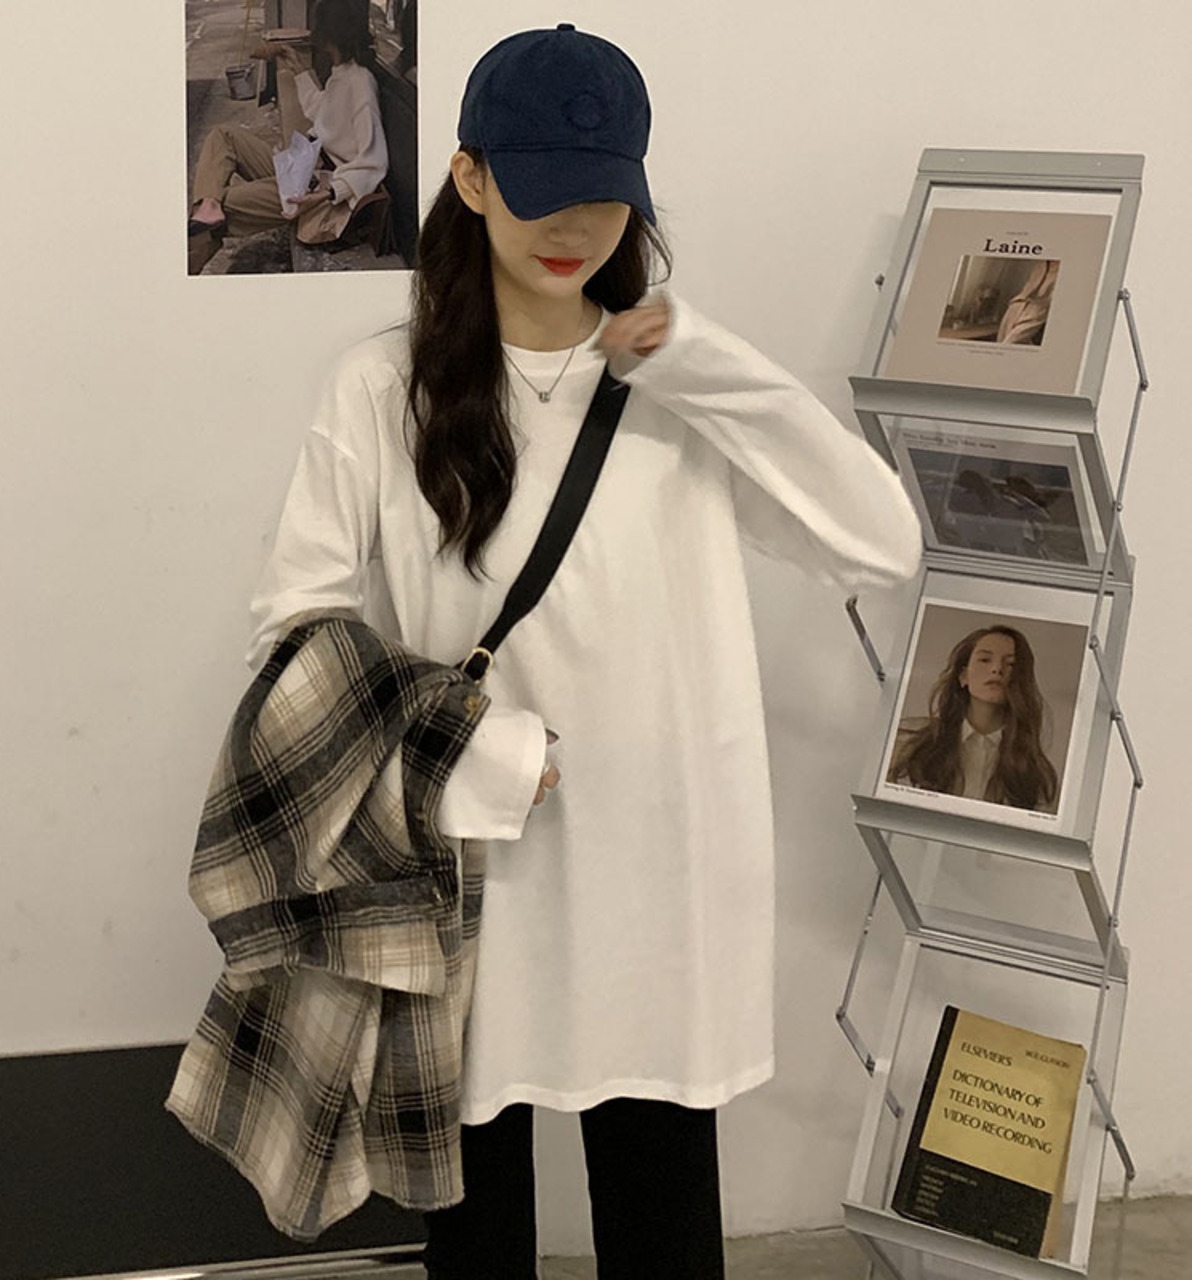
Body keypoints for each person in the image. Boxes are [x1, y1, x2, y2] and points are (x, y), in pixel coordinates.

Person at [246, 24, 921, 1278]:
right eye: (543, 191)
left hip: (658, 882)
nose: (575, 229)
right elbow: (294, 630)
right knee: (477, 1241)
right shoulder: (381, 389)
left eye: (605, 197)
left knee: (664, 1234)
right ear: (468, 177)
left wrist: (697, 360)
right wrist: (467, 747)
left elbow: (881, 543)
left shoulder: (682, 390)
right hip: (467, 887)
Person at [187, 0, 388, 272]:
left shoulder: (361, 83)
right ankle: (208, 205)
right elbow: (322, 113)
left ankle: (184, 275)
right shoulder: (341, 74)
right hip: (306, 169)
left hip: (320, 193)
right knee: (223, 137)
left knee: (223, 208)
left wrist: (326, 194)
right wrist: (298, 69)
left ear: (328, 33)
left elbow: (375, 162)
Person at [888, 624, 1059, 812]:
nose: (997, 669)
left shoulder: (1035, 775)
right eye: (985, 660)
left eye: (1011, 664)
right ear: (964, 676)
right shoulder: (909, 742)